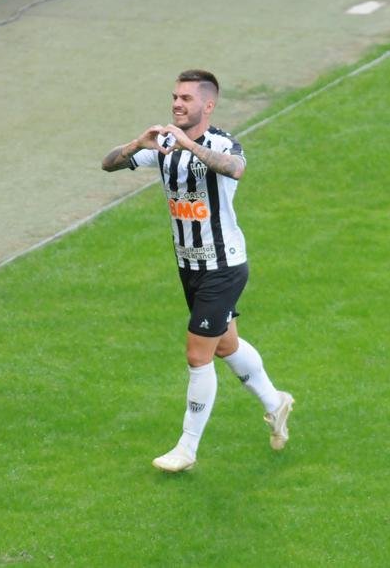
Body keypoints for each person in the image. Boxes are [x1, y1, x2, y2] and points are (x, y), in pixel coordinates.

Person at [102, 69, 294, 472]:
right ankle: (275, 402)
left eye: (186, 98)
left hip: (223, 266)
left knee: (197, 354)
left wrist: (189, 145)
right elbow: (109, 164)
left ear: (208, 105)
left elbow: (236, 168)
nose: (177, 104)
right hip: (189, 266)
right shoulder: (163, 145)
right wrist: (138, 143)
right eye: (175, 97)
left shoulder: (220, 143)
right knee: (225, 345)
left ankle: (186, 449)